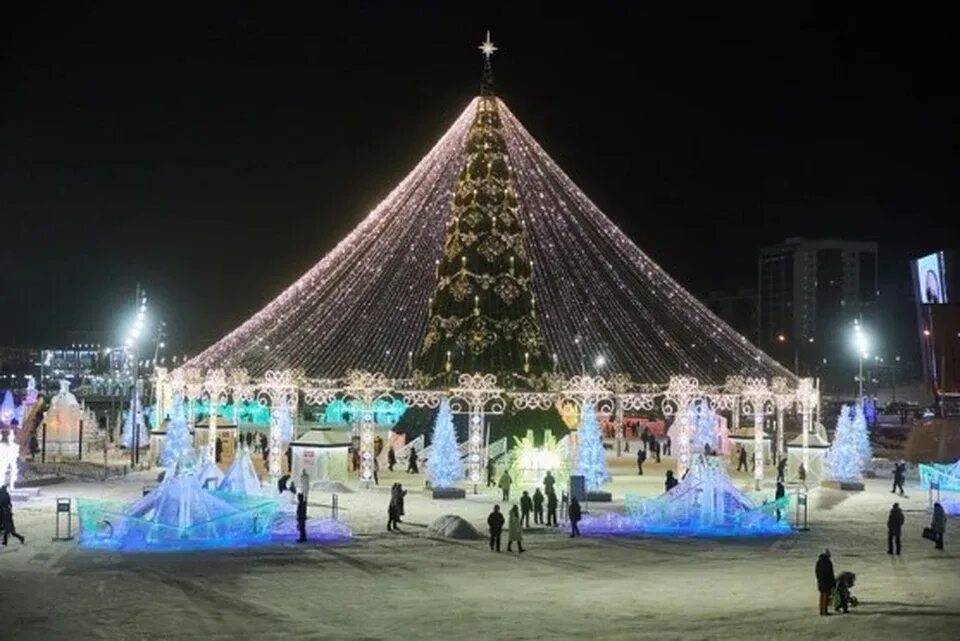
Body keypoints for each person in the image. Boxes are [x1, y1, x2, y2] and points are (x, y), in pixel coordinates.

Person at [815, 549, 835, 616]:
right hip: (826, 581)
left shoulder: (819, 561)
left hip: (820, 581)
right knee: (826, 596)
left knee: (821, 595)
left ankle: (821, 610)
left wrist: (819, 579)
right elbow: (830, 573)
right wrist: (832, 582)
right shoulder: (828, 562)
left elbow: (817, 572)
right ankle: (825, 611)